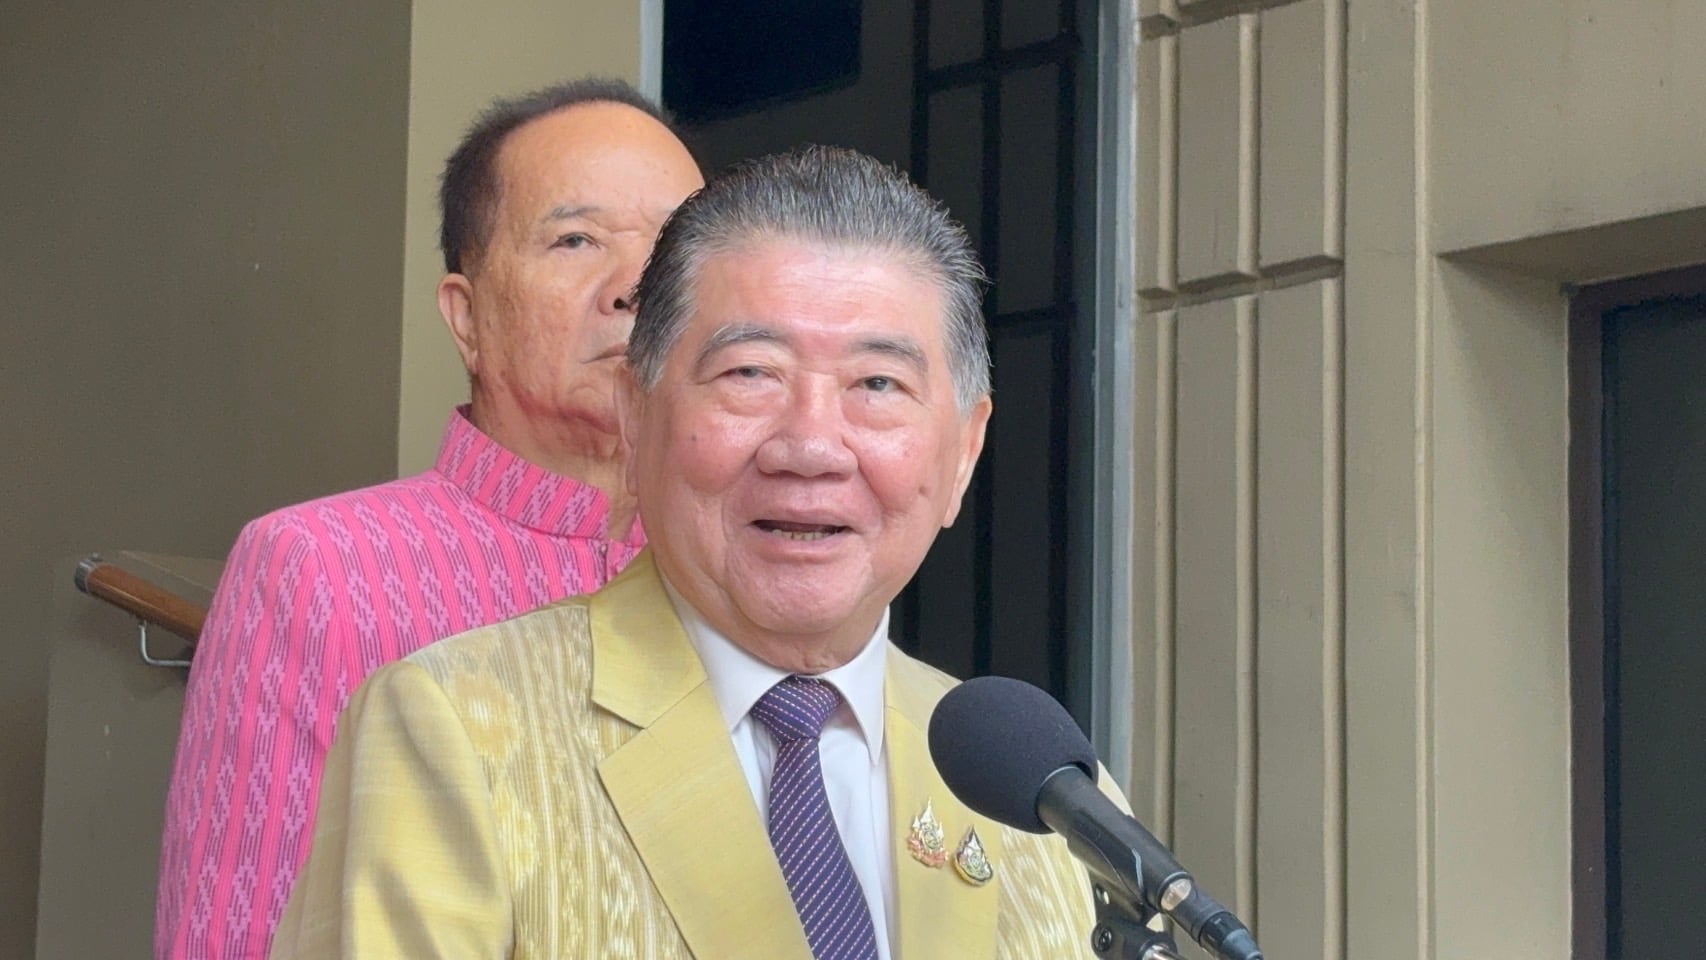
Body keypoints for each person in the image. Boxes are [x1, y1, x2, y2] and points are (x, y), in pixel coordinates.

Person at [269, 146, 1111, 959]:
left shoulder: (1048, 792)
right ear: (635, 417)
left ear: (963, 453)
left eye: (878, 385)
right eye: (750, 373)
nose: (811, 446)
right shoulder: (455, 727)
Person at [156, 78, 703, 959]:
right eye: (575, 239)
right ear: (467, 317)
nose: (636, 286)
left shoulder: (739, 572)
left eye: (674, 248)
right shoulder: (320, 567)